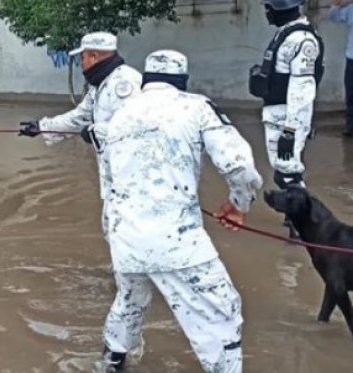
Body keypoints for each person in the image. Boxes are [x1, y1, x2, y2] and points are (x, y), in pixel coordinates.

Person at [93, 50, 263, 373]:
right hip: (177, 241)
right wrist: (238, 206)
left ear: (146, 81)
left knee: (130, 300)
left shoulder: (118, 117)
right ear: (183, 81)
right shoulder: (195, 106)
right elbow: (240, 168)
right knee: (223, 311)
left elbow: (111, 183)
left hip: (125, 236)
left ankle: (112, 361)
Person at [18, 32, 142, 199]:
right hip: (113, 172)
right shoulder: (101, 84)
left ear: (94, 56)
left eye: (82, 58)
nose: (81, 64)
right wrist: (42, 127)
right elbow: (80, 117)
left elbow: (133, 128)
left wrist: (95, 131)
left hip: (133, 174)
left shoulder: (123, 83)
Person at [249, 0, 323, 191]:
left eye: (268, 7)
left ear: (279, 7)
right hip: (277, 114)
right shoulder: (286, 33)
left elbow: (302, 90)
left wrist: (290, 131)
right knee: (283, 172)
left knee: (288, 173)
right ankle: (296, 221)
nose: (267, 12)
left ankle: (303, 222)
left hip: (288, 118)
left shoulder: (302, 40)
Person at [328, 0, 353, 136]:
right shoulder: (351, 10)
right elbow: (334, 17)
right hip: (352, 58)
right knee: (351, 94)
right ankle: (350, 126)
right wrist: (336, 5)